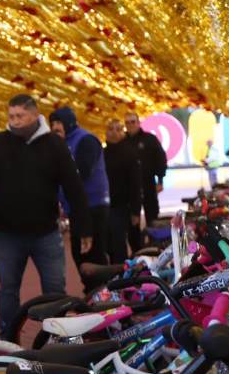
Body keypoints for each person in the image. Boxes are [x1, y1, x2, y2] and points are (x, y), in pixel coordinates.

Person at [0, 94, 92, 340]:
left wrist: (84, 228)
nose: (15, 121)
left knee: (54, 289)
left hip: (46, 234)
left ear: (35, 115)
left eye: (20, 116)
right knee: (8, 290)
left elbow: (74, 189)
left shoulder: (54, 145)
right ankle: (7, 337)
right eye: (11, 116)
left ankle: (58, 336)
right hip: (7, 234)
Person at [49, 107, 110, 289]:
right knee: (79, 252)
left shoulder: (85, 140)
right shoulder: (60, 144)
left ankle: (103, 293)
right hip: (75, 207)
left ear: (69, 122)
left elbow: (81, 172)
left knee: (94, 252)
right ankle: (93, 290)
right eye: (52, 124)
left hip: (93, 205)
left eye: (58, 123)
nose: (55, 127)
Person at [123, 112, 167, 251]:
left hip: (148, 184)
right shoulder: (122, 142)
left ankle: (156, 247)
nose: (130, 125)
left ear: (138, 122)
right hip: (129, 189)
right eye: (128, 122)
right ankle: (138, 251)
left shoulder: (150, 139)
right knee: (132, 220)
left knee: (152, 218)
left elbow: (161, 159)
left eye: (133, 121)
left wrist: (160, 180)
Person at [103, 120, 142, 263]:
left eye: (118, 129)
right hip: (105, 207)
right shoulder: (102, 154)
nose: (113, 132)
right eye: (110, 129)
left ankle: (123, 278)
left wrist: (135, 212)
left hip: (122, 207)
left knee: (120, 245)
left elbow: (135, 185)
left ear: (122, 132)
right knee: (108, 245)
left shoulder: (129, 154)